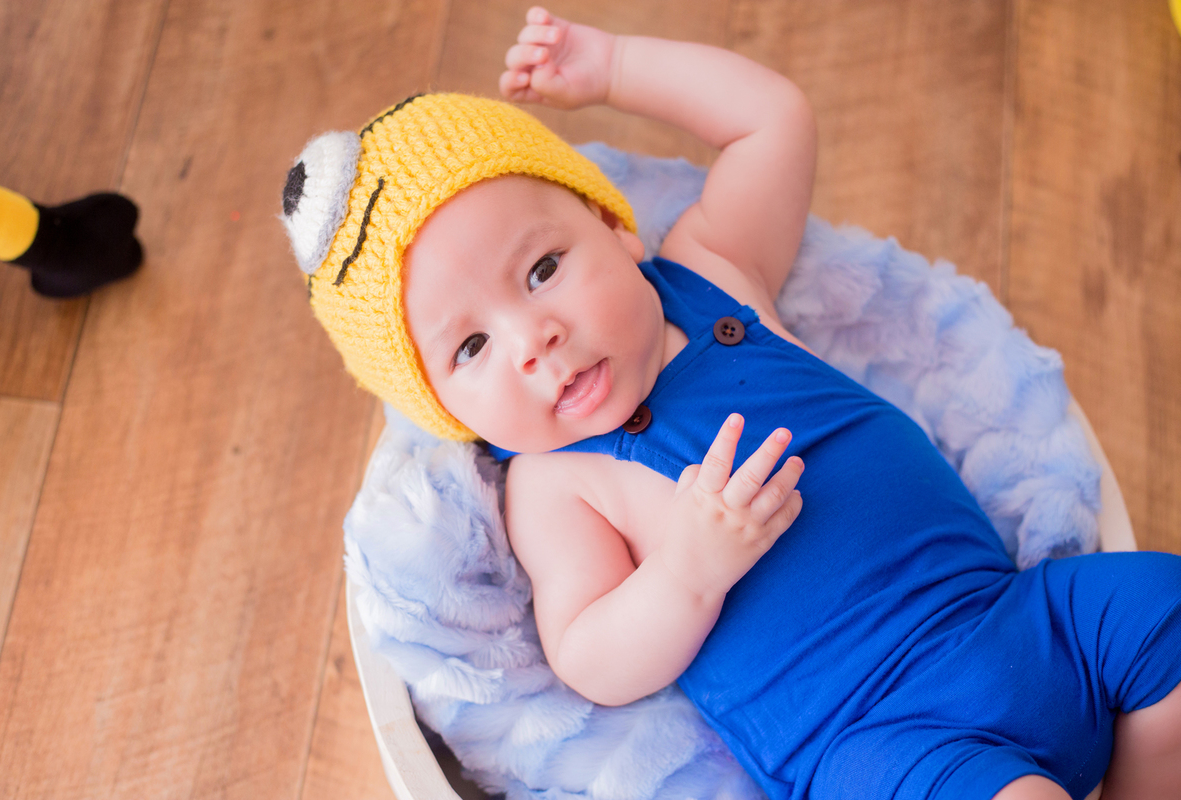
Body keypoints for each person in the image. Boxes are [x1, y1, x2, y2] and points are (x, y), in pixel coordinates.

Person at [282, 8, 1181, 799]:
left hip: (1009, 615)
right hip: (878, 738)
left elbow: (772, 122)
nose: (534, 339)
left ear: (612, 225)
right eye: (471, 348)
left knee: (1166, 613)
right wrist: (685, 572)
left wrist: (615, 69)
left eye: (543, 269)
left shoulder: (712, 276)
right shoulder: (555, 487)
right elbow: (591, 655)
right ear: (446, 408)